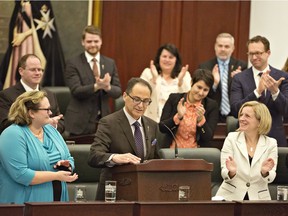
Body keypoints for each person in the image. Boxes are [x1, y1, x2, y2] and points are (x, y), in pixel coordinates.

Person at [0, 91, 78, 204]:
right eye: (46, 109)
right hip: (24, 203)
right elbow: (21, 174)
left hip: (57, 201)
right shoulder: (12, 134)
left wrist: (67, 165)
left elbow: (69, 157)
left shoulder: (51, 130)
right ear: (31, 113)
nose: (51, 112)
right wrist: (56, 176)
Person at [88, 77, 159, 200]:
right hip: (115, 194)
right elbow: (94, 155)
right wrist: (115, 157)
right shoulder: (108, 123)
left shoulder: (152, 125)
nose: (141, 105)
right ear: (125, 96)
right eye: (136, 99)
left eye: (146, 101)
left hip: (143, 194)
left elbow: (156, 160)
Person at [230, 35, 288, 147]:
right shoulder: (239, 78)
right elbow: (235, 110)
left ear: (268, 53)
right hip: (245, 139)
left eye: (258, 53)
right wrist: (257, 92)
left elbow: (286, 110)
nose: (254, 57)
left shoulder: (282, 76)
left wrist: (275, 92)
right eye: (251, 54)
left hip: (274, 137)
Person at [64, 25, 122, 136]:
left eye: (96, 41)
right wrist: (97, 86)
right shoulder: (73, 63)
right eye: (89, 41)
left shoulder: (110, 63)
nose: (93, 45)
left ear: (101, 42)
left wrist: (107, 87)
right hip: (79, 124)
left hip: (103, 123)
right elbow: (76, 91)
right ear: (83, 42)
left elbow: (118, 91)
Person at [215, 101, 277, 201]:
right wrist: (231, 172)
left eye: (247, 116)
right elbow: (224, 172)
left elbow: (271, 176)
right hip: (230, 197)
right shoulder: (231, 138)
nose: (241, 119)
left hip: (258, 200)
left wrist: (265, 172)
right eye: (241, 115)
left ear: (260, 121)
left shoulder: (271, 143)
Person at [0, 54, 64, 135]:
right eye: (33, 70)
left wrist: (54, 125)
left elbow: (61, 121)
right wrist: (40, 124)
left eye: (40, 69)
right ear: (21, 71)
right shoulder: (6, 95)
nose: (38, 73)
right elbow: (4, 124)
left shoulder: (50, 95)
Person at [159, 69, 219, 148]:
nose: (201, 93)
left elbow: (208, 138)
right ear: (191, 83)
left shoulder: (211, 105)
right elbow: (162, 127)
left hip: (197, 153)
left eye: (205, 90)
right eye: (199, 87)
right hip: (172, 152)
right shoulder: (174, 99)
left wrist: (201, 120)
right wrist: (178, 117)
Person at [199, 33, 247, 122]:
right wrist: (214, 84)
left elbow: (246, 94)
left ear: (233, 48)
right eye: (220, 46)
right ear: (215, 47)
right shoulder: (205, 67)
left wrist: (241, 81)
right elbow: (200, 95)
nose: (223, 49)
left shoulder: (241, 66)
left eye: (227, 46)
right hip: (212, 115)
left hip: (236, 115)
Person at [140, 43, 191, 122]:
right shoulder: (148, 73)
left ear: (176, 60)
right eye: (164, 56)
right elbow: (141, 94)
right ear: (159, 58)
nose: (167, 60)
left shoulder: (185, 75)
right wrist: (153, 80)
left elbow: (189, 99)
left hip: (175, 121)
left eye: (171, 57)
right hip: (151, 120)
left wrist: (180, 82)